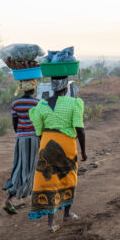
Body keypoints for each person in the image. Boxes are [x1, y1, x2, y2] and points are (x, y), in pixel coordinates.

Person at [28, 76, 87, 232]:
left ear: (53, 88)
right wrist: (84, 151)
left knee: (49, 182)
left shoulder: (41, 105)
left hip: (47, 144)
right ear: (66, 89)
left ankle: (50, 223)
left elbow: (38, 132)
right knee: (68, 178)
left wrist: (46, 143)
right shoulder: (74, 103)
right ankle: (67, 214)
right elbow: (79, 129)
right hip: (66, 146)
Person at [2, 79, 40, 214]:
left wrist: (21, 134)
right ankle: (35, 197)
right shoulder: (38, 103)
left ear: (23, 89)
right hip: (34, 139)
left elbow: (15, 123)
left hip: (21, 139)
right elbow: (40, 123)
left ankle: (10, 197)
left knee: (19, 167)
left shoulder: (15, 103)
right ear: (33, 89)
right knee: (32, 169)